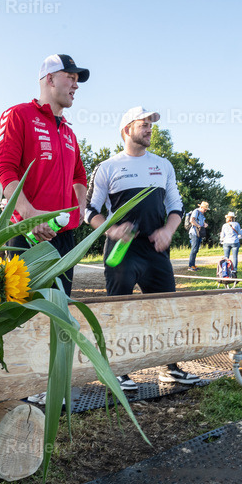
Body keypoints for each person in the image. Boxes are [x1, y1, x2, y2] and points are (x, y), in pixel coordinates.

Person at [85, 106, 200, 390]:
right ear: (126, 130)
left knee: (166, 309)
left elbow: (176, 207)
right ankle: (117, 370)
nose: (150, 129)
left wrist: (168, 230)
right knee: (117, 310)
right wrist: (111, 229)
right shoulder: (107, 167)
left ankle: (170, 367)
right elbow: (88, 210)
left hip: (155, 248)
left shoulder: (163, 165)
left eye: (152, 124)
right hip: (120, 249)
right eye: (144, 124)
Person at [0, 53, 89, 296]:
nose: (76, 85)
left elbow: (80, 177)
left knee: (58, 310)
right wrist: (30, 215)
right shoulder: (18, 115)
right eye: (70, 77)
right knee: (19, 316)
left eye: (77, 79)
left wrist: (76, 217)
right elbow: (4, 169)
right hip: (26, 233)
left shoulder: (69, 133)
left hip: (62, 239)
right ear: (50, 79)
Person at [187, 201, 209, 271]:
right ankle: (190, 266)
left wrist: (205, 224)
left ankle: (193, 265)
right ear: (201, 207)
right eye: (205, 209)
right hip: (194, 233)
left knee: (196, 250)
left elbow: (203, 222)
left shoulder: (202, 214)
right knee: (194, 249)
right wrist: (198, 226)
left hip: (198, 233)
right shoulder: (196, 211)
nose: (205, 211)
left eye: (206, 210)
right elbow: (191, 220)